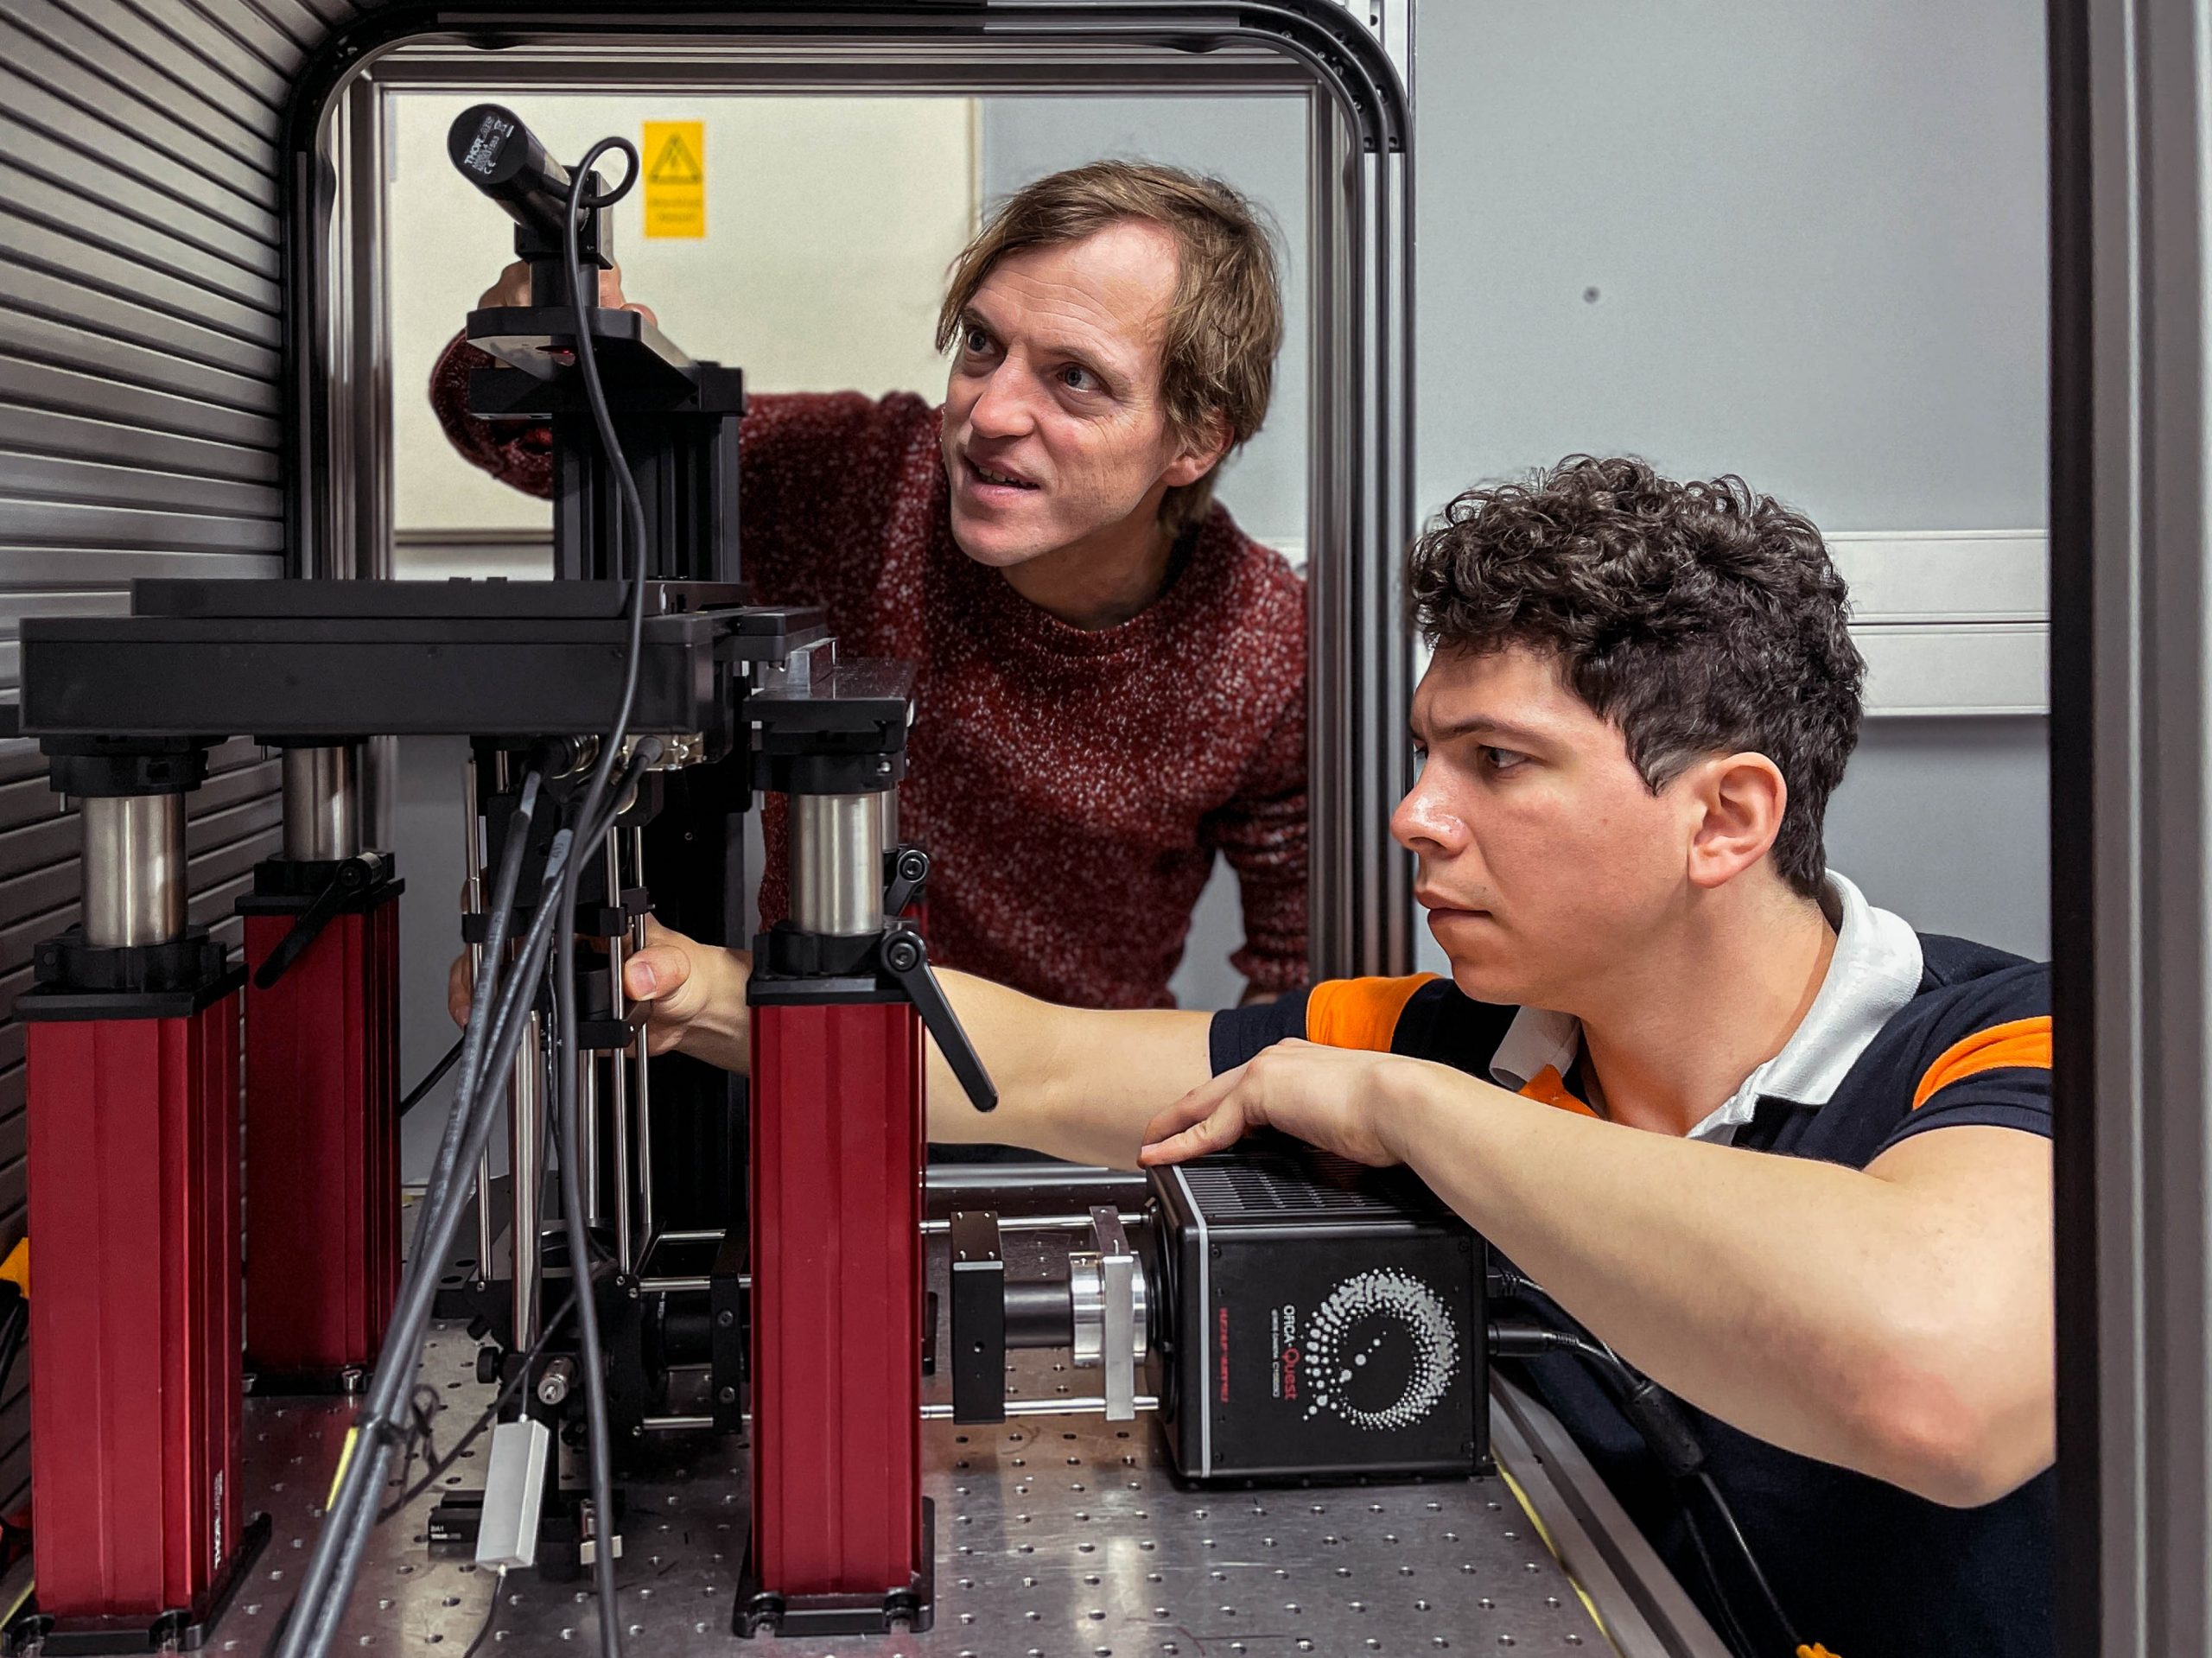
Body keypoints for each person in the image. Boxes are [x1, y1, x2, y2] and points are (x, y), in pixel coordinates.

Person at [531, 455, 2052, 1657]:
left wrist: (1411, 1104)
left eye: (1497, 763)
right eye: (1425, 751)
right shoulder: (1454, 1031)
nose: (1414, 815)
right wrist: (692, 983)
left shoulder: (2008, 1047)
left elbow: (1938, 1381)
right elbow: (1049, 1068)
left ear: (1724, 817)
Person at [432, 162, 1307, 1009]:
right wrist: (537, 346)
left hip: (1065, 1124)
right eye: (981, 344)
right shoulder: (866, 479)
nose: (989, 414)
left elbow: (1294, 962)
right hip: (804, 1067)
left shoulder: (1265, 645)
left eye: (1074, 377)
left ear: (1195, 438)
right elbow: (527, 446)